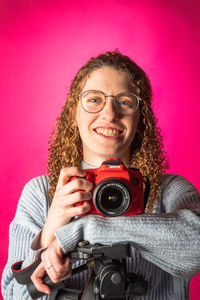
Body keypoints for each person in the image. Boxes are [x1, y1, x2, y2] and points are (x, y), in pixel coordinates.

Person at [1, 50, 200, 300]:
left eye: (125, 101)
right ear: (75, 113)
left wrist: (81, 231)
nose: (109, 114)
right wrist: (51, 228)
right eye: (94, 99)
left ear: (142, 119)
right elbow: (14, 296)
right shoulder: (41, 193)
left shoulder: (169, 190)